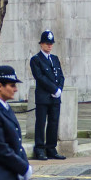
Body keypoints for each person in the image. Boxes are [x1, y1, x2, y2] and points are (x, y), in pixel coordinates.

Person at [29, 30, 66, 160]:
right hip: (43, 96)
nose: (49, 46)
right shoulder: (36, 60)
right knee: (41, 123)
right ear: (41, 44)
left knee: (53, 122)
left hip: (55, 97)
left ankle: (51, 148)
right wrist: (54, 89)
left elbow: (60, 76)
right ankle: (39, 148)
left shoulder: (54, 59)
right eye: (47, 43)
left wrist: (60, 89)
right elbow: (40, 77)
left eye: (51, 43)